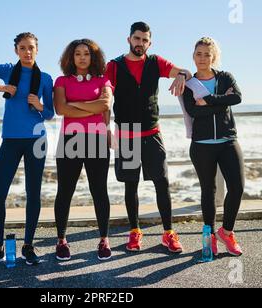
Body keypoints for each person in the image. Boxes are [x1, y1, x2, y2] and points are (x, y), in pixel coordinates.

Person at [106, 22, 191, 253]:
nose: (140, 43)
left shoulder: (156, 62)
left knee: (162, 184)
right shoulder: (114, 66)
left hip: (152, 133)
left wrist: (181, 76)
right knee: (130, 185)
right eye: (136, 39)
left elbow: (185, 71)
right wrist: (104, 128)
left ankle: (168, 233)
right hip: (126, 135)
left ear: (149, 43)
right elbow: (104, 98)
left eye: (144, 40)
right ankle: (134, 232)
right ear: (129, 40)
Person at [0, 32, 55, 267]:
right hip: (10, 140)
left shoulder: (46, 78)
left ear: (37, 50)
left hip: (36, 141)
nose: (27, 52)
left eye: (31, 48)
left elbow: (50, 113)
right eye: (22, 48)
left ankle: (28, 246)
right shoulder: (9, 70)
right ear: (16, 50)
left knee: (33, 194)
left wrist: (40, 106)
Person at [182, 37, 244, 257]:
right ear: (193, 56)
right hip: (201, 145)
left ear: (213, 57)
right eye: (198, 54)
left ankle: (226, 232)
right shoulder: (188, 84)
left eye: (207, 54)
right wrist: (221, 102)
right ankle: (208, 237)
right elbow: (193, 112)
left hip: (228, 141)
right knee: (209, 191)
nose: (202, 58)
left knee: (237, 188)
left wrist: (208, 99)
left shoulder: (225, 77)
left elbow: (236, 98)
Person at [53, 39, 113, 261]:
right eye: (77, 53)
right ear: (71, 57)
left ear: (92, 56)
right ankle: (61, 240)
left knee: (99, 190)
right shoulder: (61, 80)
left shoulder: (103, 79)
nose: (82, 57)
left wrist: (75, 105)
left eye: (86, 53)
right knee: (65, 191)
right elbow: (60, 108)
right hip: (70, 139)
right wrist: (91, 105)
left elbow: (105, 105)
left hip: (97, 140)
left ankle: (104, 239)